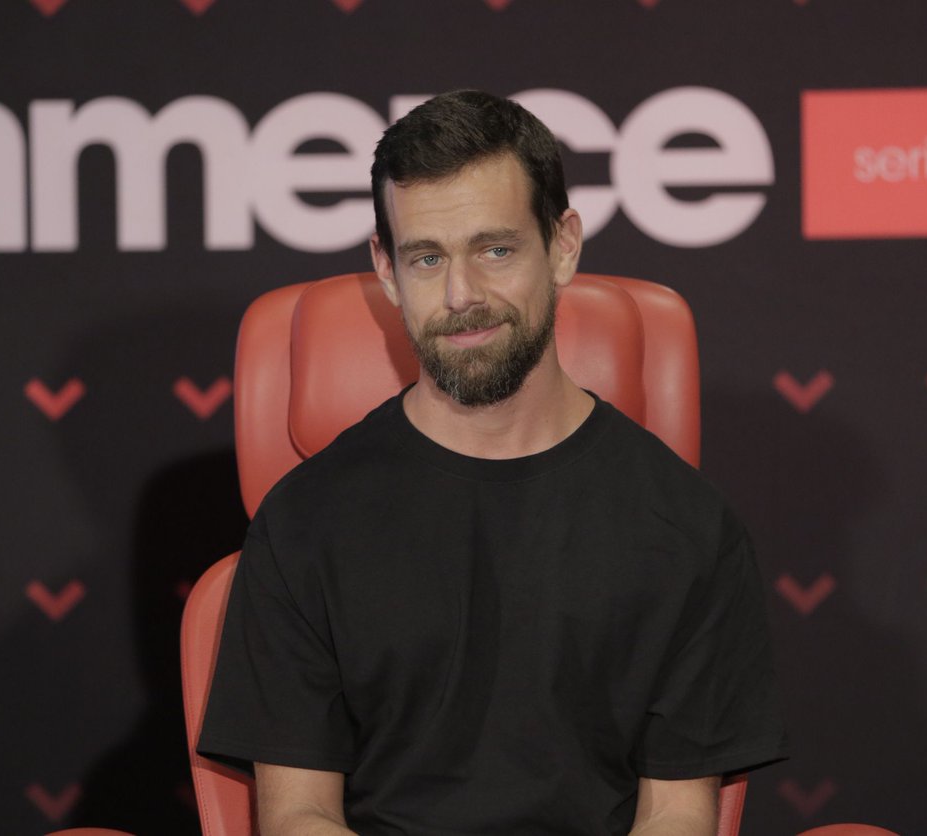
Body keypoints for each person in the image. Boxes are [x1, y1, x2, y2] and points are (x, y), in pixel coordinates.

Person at [198, 90, 788, 835]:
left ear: (563, 245)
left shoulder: (688, 527)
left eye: (495, 250)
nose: (460, 295)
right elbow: (299, 816)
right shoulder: (303, 521)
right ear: (387, 270)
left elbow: (675, 814)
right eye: (426, 258)